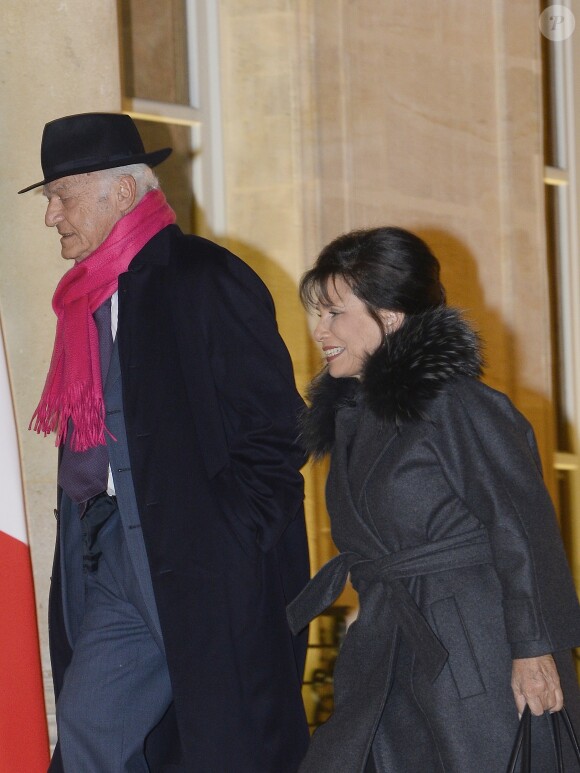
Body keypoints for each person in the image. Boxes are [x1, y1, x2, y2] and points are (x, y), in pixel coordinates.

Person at [19, 112, 310, 772]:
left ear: (122, 191)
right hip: (114, 556)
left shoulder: (204, 276)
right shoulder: (82, 302)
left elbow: (276, 431)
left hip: (202, 556)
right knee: (91, 724)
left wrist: (231, 537)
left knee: (226, 744)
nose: (51, 215)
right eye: (49, 198)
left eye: (62, 194)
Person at [287, 226, 580, 772]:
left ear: (390, 316)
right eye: (319, 313)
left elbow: (521, 524)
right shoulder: (353, 421)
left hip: (477, 647)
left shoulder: (458, 404)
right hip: (389, 642)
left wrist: (535, 649)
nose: (319, 329)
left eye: (334, 313)